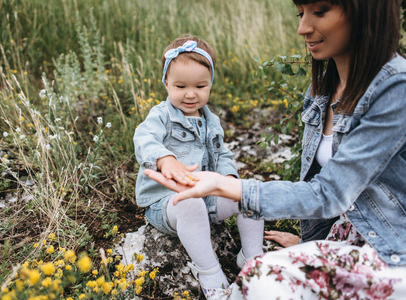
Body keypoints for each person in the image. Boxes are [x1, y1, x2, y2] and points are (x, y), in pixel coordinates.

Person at [144, 0, 406, 298]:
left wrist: (227, 183)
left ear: (365, 10)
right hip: (352, 236)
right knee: (262, 274)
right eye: (300, 13)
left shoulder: (396, 89)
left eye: (319, 12)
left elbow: (331, 192)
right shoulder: (322, 88)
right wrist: (315, 244)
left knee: (261, 279)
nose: (302, 28)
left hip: (393, 249)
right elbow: (341, 190)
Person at [133, 34, 265, 299]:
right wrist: (164, 158)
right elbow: (143, 137)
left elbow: (223, 152)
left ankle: (251, 258)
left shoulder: (211, 120)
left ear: (210, 85)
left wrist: (228, 178)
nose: (190, 94)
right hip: (167, 203)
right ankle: (209, 271)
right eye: (180, 86)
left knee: (250, 192)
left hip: (205, 196)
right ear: (166, 84)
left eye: (200, 86)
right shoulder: (161, 116)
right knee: (189, 205)